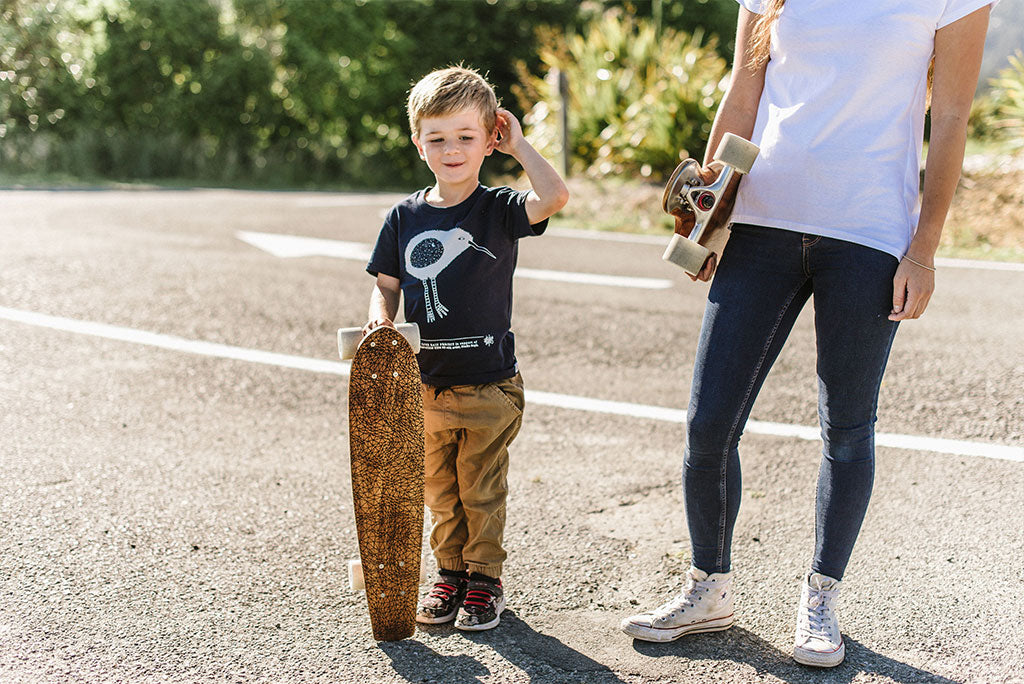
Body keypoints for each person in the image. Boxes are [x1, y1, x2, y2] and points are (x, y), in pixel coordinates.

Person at [620, 0, 994, 667]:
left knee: (846, 426)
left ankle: (821, 598)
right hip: (762, 220)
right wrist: (708, 221)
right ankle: (709, 588)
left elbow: (954, 117)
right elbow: (743, 94)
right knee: (708, 424)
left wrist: (924, 248)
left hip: (870, 232)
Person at [362, 65, 568, 632]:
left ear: (490, 139)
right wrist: (380, 327)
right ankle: (448, 573)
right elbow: (386, 285)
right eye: (437, 138)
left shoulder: (499, 210)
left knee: (480, 487)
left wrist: (522, 146)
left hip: (488, 383)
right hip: (424, 386)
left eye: (466, 137)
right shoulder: (403, 218)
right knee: (438, 491)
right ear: (417, 142)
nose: (451, 149)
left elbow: (554, 196)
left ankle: (484, 579)